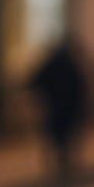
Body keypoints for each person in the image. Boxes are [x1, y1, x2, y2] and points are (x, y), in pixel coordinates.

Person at [27, 35, 88, 179]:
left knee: (57, 135)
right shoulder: (72, 64)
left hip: (55, 106)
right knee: (67, 135)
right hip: (67, 107)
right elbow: (80, 86)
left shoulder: (52, 64)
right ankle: (65, 159)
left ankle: (61, 159)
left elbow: (35, 81)